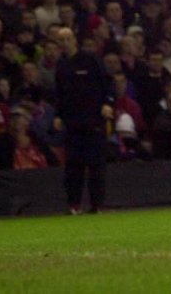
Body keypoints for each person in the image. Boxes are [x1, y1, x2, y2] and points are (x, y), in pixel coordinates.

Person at [54, 27, 114, 215]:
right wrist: (58, 115)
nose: (65, 43)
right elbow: (59, 94)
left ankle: (97, 205)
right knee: (73, 166)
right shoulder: (61, 66)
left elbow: (107, 82)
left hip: (94, 120)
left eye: (67, 39)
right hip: (73, 123)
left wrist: (107, 103)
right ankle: (74, 205)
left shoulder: (90, 59)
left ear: (74, 40)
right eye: (61, 40)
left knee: (96, 165)